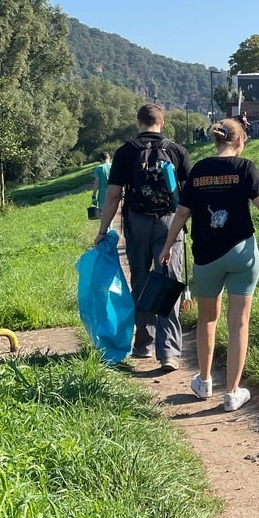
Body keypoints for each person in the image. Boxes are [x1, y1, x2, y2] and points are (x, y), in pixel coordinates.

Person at [157, 118, 259, 411]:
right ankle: (233, 393)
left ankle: (204, 381)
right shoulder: (245, 167)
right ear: (239, 142)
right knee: (239, 324)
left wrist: (167, 246)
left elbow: (182, 213)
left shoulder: (198, 170)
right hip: (242, 254)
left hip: (206, 256)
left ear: (216, 141)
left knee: (207, 319)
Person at [94, 103, 193, 371]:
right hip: (170, 223)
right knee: (168, 281)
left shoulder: (126, 152)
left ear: (139, 123)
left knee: (140, 279)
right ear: (162, 123)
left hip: (137, 222)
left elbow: (113, 195)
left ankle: (143, 344)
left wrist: (103, 230)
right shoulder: (176, 150)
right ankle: (169, 352)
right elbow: (188, 196)